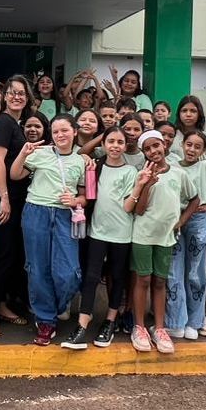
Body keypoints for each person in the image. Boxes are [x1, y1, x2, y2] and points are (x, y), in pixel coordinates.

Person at [13, 114, 89, 346]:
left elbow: (86, 196)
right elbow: (15, 174)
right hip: (36, 211)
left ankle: (57, 304)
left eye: (64, 130)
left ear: (75, 131)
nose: (60, 135)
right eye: (55, 132)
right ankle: (45, 320)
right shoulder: (40, 153)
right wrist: (23, 153)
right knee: (38, 268)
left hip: (66, 216)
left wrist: (75, 200)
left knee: (68, 272)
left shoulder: (82, 161)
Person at [126, 130, 197, 355]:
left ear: (164, 146)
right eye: (147, 149)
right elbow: (138, 209)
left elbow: (194, 199)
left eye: (156, 146)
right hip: (143, 235)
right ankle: (139, 327)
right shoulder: (142, 175)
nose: (153, 151)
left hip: (166, 237)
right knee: (143, 279)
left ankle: (159, 328)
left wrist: (181, 221)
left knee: (160, 281)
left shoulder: (179, 174)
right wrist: (147, 184)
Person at [63, 126, 135, 348]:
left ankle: (110, 321)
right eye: (110, 141)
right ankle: (83, 323)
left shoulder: (131, 172)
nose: (115, 146)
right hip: (97, 232)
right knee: (91, 277)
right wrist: (90, 170)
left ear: (126, 146)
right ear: (103, 144)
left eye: (120, 142)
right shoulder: (96, 167)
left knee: (117, 276)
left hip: (122, 233)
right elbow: (90, 196)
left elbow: (128, 205)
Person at [0, 76, 36, 337]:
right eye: (12, 92)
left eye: (21, 93)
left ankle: (1, 303)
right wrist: (3, 197)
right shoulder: (3, 122)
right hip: (4, 197)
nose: (17, 97)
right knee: (3, 254)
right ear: (4, 95)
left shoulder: (17, 123)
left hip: (16, 196)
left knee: (13, 254)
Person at [166, 130, 206, 339]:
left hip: (197, 219)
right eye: (189, 145)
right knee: (173, 271)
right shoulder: (174, 166)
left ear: (204, 150)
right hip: (176, 218)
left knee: (195, 271)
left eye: (198, 147)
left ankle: (195, 321)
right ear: (182, 145)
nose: (192, 149)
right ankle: (176, 321)